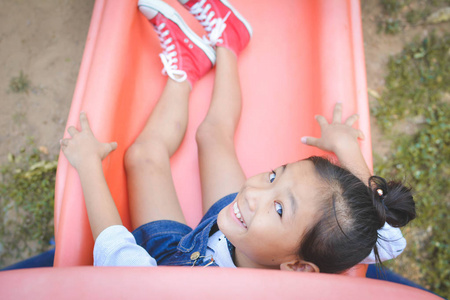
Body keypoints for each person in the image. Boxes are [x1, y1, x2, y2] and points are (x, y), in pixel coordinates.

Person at [60, 0, 416, 272]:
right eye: (274, 175)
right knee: (212, 134)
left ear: (298, 268)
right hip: (236, 235)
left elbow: (115, 252)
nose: (254, 191)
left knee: (141, 157)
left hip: (172, 263)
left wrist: (90, 164)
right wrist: (345, 148)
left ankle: (183, 71)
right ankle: (226, 43)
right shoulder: (282, 225)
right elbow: (388, 239)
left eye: (279, 208)